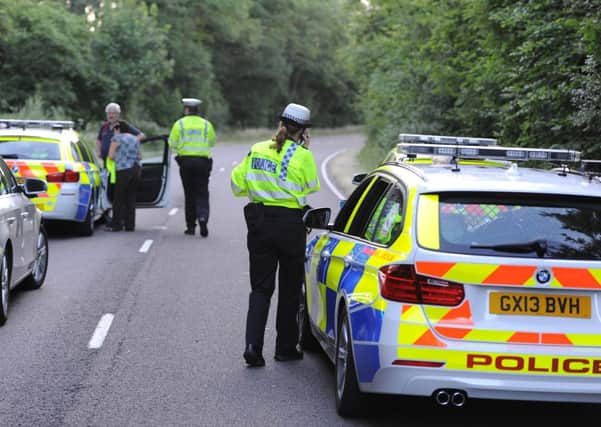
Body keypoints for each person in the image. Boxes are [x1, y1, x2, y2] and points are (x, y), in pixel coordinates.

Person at [230, 102, 320, 367]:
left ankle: (252, 347)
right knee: (290, 290)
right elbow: (311, 187)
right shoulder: (303, 156)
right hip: (291, 226)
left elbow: (236, 185)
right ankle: (285, 348)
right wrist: (303, 151)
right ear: (303, 131)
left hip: (260, 224)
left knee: (260, 288)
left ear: (281, 124)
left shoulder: (257, 149)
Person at [168, 97, 216, 237]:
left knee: (189, 195)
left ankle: (190, 226)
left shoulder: (179, 124)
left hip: (186, 163)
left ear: (187, 110)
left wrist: (182, 149)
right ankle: (203, 218)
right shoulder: (206, 124)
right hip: (202, 163)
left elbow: (172, 143)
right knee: (202, 192)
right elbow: (212, 142)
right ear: (197, 110)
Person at [96, 102, 145, 223]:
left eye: (113, 113)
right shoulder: (104, 127)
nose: (111, 115)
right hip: (111, 165)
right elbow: (98, 140)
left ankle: (118, 221)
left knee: (118, 195)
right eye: (109, 113)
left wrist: (127, 143)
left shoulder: (123, 127)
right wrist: (98, 151)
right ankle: (126, 223)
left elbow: (141, 135)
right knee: (115, 193)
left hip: (119, 167)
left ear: (118, 114)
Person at [106, 121, 142, 232]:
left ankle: (117, 225)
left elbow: (111, 156)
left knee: (119, 198)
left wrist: (119, 157)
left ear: (118, 129)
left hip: (123, 170)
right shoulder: (135, 139)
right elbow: (140, 156)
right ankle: (130, 225)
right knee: (131, 198)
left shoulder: (116, 139)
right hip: (136, 170)